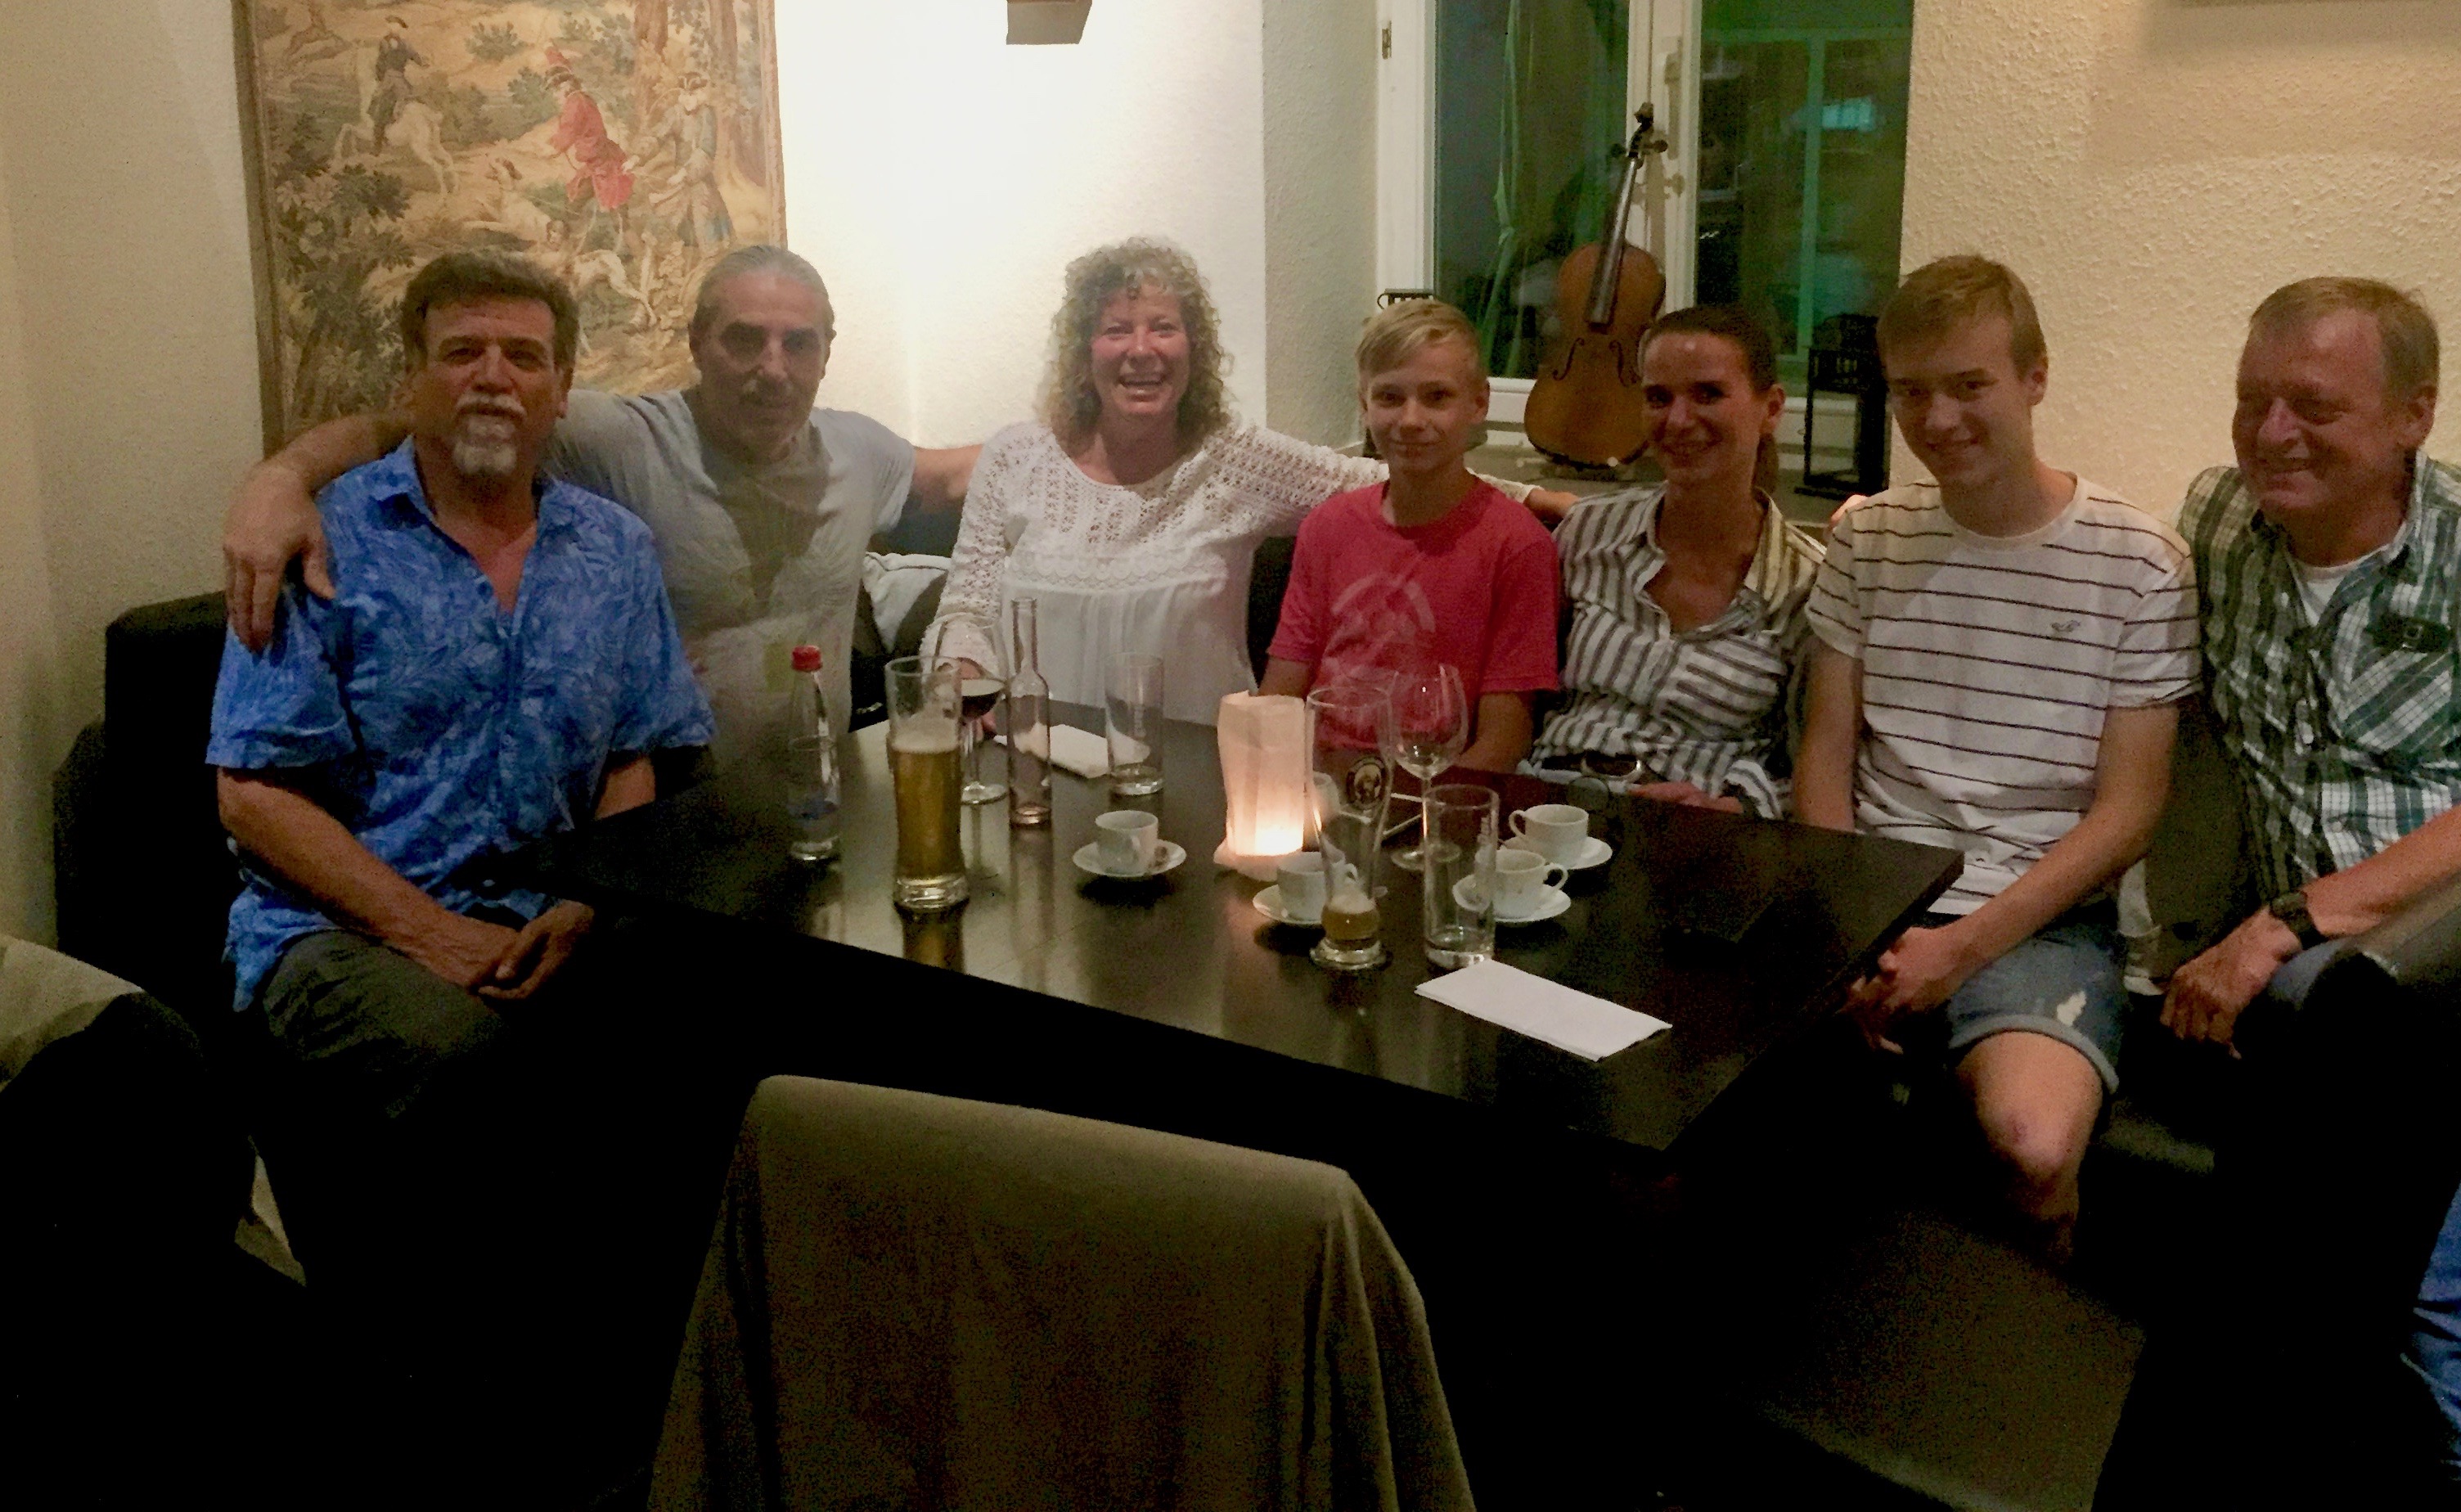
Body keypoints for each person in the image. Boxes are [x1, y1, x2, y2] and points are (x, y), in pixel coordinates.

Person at [208, 250, 717, 1493]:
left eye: (524, 356)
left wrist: (590, 900)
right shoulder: (322, 543)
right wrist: (432, 936)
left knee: (724, 1035)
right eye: (462, 352)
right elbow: (252, 793)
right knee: (475, 1061)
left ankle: (676, 1413)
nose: (494, 377)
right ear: (413, 380)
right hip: (336, 935)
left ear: (562, 389)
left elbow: (636, 753)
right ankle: (486, 1441)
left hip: (550, 916)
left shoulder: (613, 549)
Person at [1796, 255, 2198, 1258]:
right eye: (1910, 392)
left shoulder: (2140, 562)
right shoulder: (1867, 538)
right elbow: (1825, 751)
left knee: (2031, 1146)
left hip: (2039, 918)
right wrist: (1853, 933)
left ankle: (2028, 1343)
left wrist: (1959, 949)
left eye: (1967, 385)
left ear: (2033, 378)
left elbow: (2128, 814)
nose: (1936, 420)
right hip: (1867, 892)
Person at [222, 245, 979, 764]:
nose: (773, 369)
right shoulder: (619, 438)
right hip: (672, 809)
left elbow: (959, 477)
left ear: (826, 354)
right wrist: (280, 479)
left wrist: (1058, 434)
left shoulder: (859, 452)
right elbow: (422, 422)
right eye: (745, 339)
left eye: (798, 344)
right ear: (697, 343)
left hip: (821, 794)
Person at [2155, 277, 2460, 1480]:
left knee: (2429, 1295)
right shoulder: (2218, 522)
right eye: (2252, 402)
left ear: (2412, 416)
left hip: (2436, 958)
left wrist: (2283, 924)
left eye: (2314, 406)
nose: (2271, 433)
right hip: (2320, 993)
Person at [928, 237, 1575, 722]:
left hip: (1196, 770)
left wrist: (1543, 499)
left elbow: (1381, 474)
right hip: (1031, 760)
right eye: (1116, 330)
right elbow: (965, 609)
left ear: (1194, 350)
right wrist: (960, 679)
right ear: (1082, 352)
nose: (1141, 350)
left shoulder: (1232, 458)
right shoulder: (1015, 458)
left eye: (1163, 328)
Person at [1521, 304, 1824, 817]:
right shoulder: (1588, 534)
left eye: (1708, 394)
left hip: (1690, 827)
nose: (1678, 421)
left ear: (1771, 409)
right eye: (1659, 398)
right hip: (1552, 804)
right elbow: (1521, 692)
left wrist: (1737, 806)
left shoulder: (1808, 584)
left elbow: (1817, 766)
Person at [1255, 299, 1558, 770]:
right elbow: (1278, 700)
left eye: (1437, 397)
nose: (1411, 421)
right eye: (1390, 398)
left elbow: (1503, 742)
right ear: (1365, 405)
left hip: (1434, 784)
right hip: (1318, 780)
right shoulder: (1327, 527)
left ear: (1478, 403)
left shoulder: (1518, 545)